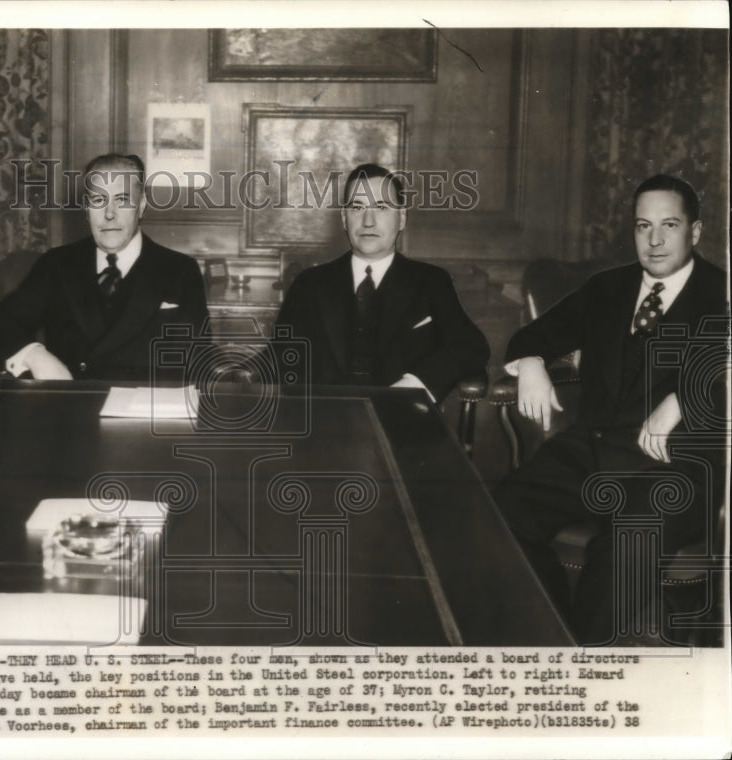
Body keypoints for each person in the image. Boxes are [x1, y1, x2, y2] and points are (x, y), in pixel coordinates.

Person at [494, 173, 728, 644]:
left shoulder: (720, 292)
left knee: (629, 539)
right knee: (499, 516)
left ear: (695, 232)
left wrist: (683, 399)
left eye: (670, 225)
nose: (655, 241)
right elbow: (531, 337)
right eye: (644, 227)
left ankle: (583, 661)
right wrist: (534, 363)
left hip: (675, 469)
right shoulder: (607, 289)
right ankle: (558, 640)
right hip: (591, 451)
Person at [0, 153, 209, 381]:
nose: (109, 214)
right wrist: (34, 355)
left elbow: (195, 361)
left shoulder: (179, 271)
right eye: (98, 200)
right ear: (86, 209)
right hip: (71, 410)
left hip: (145, 413)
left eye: (122, 200)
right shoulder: (58, 264)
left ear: (142, 206)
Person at [273, 163, 489, 402]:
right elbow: (279, 356)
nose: (368, 221)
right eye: (357, 207)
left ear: (402, 218)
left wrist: (416, 384)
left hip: (403, 423)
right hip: (324, 425)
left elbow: (471, 346)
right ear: (344, 219)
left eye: (382, 207)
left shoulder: (430, 282)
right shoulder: (310, 284)